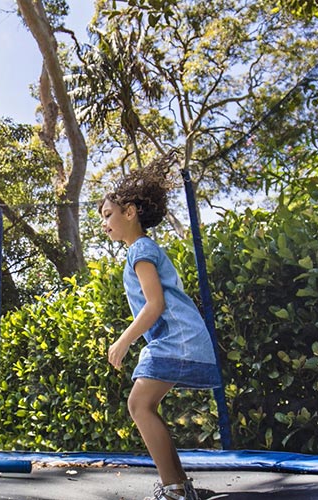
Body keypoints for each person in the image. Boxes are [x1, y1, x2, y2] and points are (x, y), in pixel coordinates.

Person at [100, 158, 222, 500]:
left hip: (176, 340)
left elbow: (155, 305)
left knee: (139, 404)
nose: (104, 223)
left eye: (109, 214)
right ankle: (179, 485)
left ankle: (174, 489)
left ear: (131, 212)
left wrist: (124, 341)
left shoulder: (140, 249)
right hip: (179, 339)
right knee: (143, 405)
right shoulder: (141, 250)